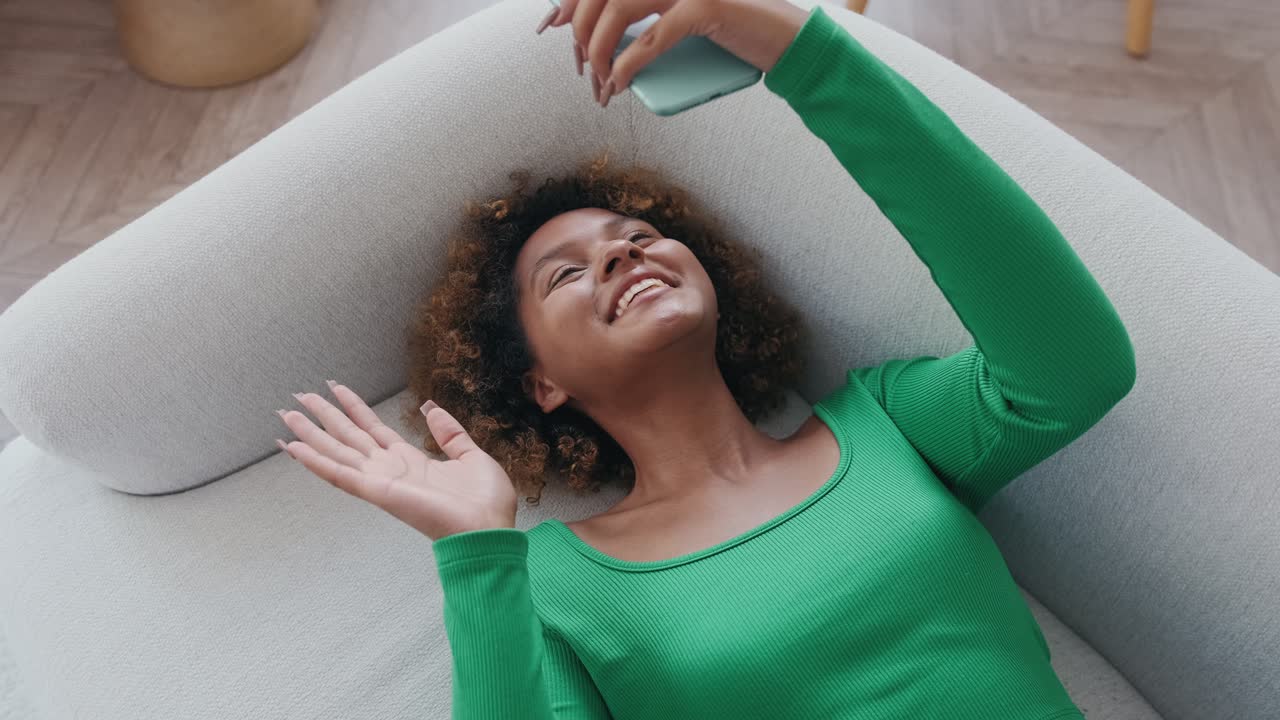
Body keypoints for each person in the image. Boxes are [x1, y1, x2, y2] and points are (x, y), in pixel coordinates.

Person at [272, 0, 1137, 717]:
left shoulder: (891, 424)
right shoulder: (556, 581)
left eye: (639, 237)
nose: (621, 257)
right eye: (568, 274)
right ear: (541, 383)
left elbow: (1077, 368)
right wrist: (474, 555)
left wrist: (802, 52)